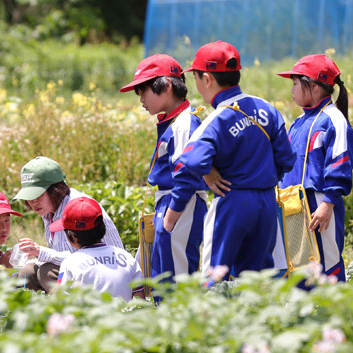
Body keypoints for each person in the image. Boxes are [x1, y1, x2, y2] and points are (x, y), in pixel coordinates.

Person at [163, 41, 296, 282]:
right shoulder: (267, 109)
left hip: (231, 201)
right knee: (258, 279)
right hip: (266, 202)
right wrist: (262, 176)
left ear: (207, 79)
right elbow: (286, 158)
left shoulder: (216, 119)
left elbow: (188, 163)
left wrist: (208, 173)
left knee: (215, 276)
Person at [119, 54, 207, 282]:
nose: (141, 100)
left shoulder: (185, 122)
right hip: (171, 202)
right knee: (161, 275)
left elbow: (187, 174)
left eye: (143, 91)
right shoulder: (173, 121)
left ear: (166, 85)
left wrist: (169, 218)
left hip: (181, 203)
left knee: (177, 280)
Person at [277, 54, 353, 282]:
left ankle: (337, 313)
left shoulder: (334, 119)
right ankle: (306, 315)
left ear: (314, 86)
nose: (291, 91)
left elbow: (341, 162)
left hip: (320, 204)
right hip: (293, 204)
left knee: (327, 263)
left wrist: (328, 204)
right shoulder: (300, 121)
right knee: (300, 265)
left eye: (295, 83)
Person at [13, 156, 124, 292]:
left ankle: (70, 311)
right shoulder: (49, 209)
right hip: (77, 268)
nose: (33, 202)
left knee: (47, 273)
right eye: (29, 196)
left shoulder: (78, 209)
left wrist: (41, 252)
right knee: (28, 271)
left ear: (55, 190)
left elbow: (81, 260)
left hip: (102, 272)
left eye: (38, 195)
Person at [52, 196, 145, 301]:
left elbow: (61, 301)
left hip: (91, 316)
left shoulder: (70, 262)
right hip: (124, 316)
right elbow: (140, 300)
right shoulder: (127, 258)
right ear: (102, 227)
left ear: (72, 236)